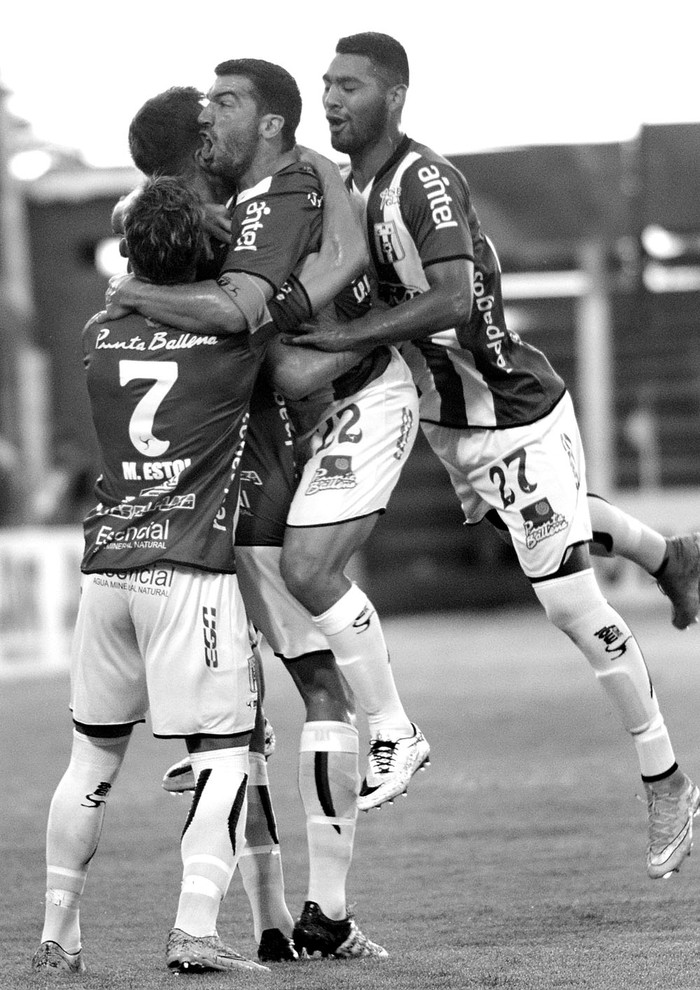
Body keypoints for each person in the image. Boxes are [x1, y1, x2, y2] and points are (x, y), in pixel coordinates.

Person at [286, 31, 700, 880]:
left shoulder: (423, 181)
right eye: (326, 83)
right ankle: (673, 554)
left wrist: (342, 335)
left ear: (394, 96)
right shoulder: (353, 185)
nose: (332, 98)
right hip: (452, 421)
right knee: (545, 525)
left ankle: (667, 777)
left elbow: (446, 296)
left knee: (567, 603)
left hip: (511, 411)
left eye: (351, 86)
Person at [103, 61, 430, 816]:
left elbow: (333, 272)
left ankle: (382, 735)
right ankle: (303, 906)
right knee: (219, 591)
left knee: (307, 611)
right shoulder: (188, 212)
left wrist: (278, 307)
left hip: (319, 405)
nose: (214, 123)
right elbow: (140, 225)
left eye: (224, 110)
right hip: (248, 433)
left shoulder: (293, 180)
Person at [123, 82, 391, 959]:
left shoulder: (141, 257)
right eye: (208, 124)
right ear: (198, 150)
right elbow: (276, 349)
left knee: (230, 730)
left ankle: (270, 924)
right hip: (256, 481)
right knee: (320, 686)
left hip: (170, 518)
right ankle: (326, 912)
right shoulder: (232, 233)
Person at [31, 176, 273, 977]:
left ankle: (57, 936)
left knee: (89, 764)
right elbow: (275, 351)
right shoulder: (233, 341)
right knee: (226, 754)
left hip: (107, 572)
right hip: (189, 572)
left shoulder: (102, 329)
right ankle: (196, 929)